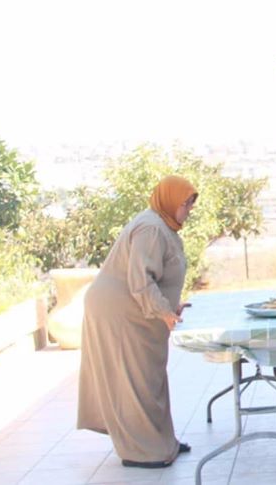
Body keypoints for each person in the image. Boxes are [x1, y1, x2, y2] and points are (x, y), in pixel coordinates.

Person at [77, 175, 198, 468]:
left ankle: (162, 443)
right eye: (186, 204)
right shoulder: (151, 228)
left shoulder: (163, 226)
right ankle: (142, 453)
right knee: (135, 381)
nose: (189, 210)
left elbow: (159, 274)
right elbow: (141, 281)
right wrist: (164, 312)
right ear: (170, 200)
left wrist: (170, 305)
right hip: (120, 312)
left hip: (134, 311)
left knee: (150, 377)